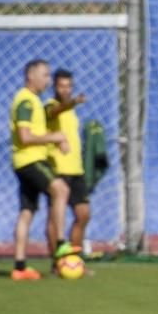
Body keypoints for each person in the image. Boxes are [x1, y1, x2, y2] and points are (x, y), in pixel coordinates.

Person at [9, 60, 72, 281]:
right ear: (31, 76)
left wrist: (54, 140)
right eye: (45, 75)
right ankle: (62, 244)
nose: (48, 80)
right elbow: (25, 137)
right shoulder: (26, 100)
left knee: (27, 212)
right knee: (61, 190)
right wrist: (55, 137)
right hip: (30, 160)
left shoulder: (33, 100)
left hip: (24, 161)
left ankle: (19, 267)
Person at [44, 69, 90, 258]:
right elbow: (56, 110)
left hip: (76, 169)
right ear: (55, 87)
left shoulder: (72, 112)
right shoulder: (50, 106)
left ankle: (74, 260)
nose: (65, 90)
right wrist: (72, 102)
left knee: (83, 215)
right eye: (61, 86)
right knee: (55, 219)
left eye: (69, 86)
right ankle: (58, 262)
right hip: (57, 169)